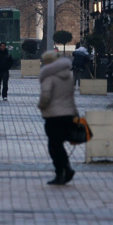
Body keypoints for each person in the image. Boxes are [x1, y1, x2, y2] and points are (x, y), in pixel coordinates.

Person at [37, 49, 78, 185]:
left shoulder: (49, 76)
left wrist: (41, 106)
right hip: (67, 114)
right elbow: (70, 96)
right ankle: (66, 169)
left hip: (53, 115)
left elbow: (46, 96)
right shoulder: (68, 76)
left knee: (54, 146)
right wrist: (75, 113)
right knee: (59, 144)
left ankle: (61, 172)